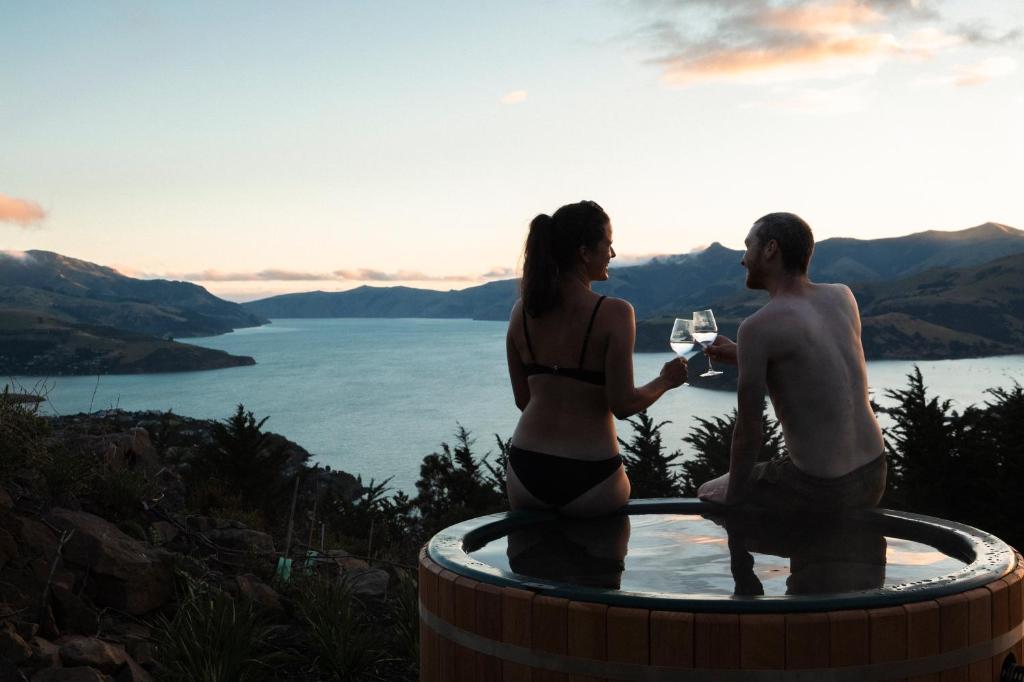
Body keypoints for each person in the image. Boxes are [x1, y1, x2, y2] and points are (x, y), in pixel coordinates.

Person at [506, 200, 688, 517]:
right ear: (584, 252)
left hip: (525, 467)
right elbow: (623, 405)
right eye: (608, 244)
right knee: (601, 565)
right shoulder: (615, 312)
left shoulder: (521, 311)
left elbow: (524, 400)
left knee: (532, 563)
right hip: (592, 471)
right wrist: (666, 381)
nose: (612, 255)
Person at [698, 212, 886, 512]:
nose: (743, 259)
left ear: (770, 249)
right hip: (874, 471)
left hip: (823, 486)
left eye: (748, 247)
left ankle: (745, 558)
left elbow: (749, 430)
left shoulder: (757, 327)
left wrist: (733, 496)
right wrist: (743, 354)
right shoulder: (842, 296)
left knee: (709, 490)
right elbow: (814, 359)